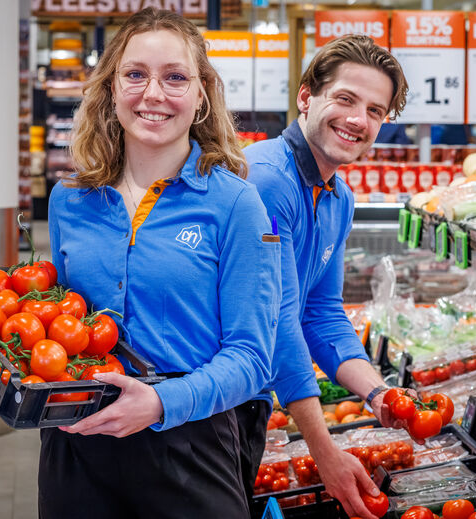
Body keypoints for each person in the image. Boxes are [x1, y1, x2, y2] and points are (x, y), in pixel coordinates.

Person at [42, 8, 280, 518]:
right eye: (135, 75)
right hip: (77, 450)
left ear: (201, 95)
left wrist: (161, 404)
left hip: (189, 449)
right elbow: (58, 330)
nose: (153, 94)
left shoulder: (236, 205)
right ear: (110, 89)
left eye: (175, 77)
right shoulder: (69, 201)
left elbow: (253, 356)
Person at [242, 35, 410, 519]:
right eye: (345, 99)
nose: (359, 120)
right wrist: (324, 450)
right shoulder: (268, 179)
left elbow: (320, 312)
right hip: (210, 407)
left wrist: (378, 393)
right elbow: (277, 320)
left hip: (252, 401)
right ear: (305, 96)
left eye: (375, 111)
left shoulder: (339, 195)